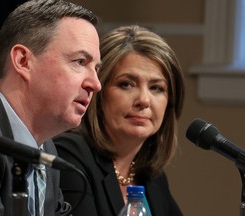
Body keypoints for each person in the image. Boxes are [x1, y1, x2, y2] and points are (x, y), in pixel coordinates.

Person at [0, 0, 101, 215]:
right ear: (23, 61)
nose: (96, 84)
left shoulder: (45, 146)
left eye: (96, 68)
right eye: (80, 62)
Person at [53, 25, 185, 216]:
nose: (144, 100)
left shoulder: (151, 177)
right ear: (98, 91)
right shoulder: (70, 156)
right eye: (126, 84)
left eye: (156, 88)